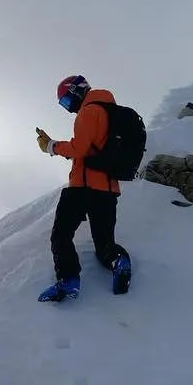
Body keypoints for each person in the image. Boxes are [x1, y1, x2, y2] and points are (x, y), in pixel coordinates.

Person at [34, 75, 132, 302]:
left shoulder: (88, 112)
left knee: (61, 235)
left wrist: (51, 146)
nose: (69, 109)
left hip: (83, 187)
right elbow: (94, 150)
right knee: (104, 245)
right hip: (108, 190)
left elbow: (80, 149)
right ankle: (119, 261)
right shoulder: (110, 112)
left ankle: (68, 282)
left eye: (67, 102)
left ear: (76, 92)